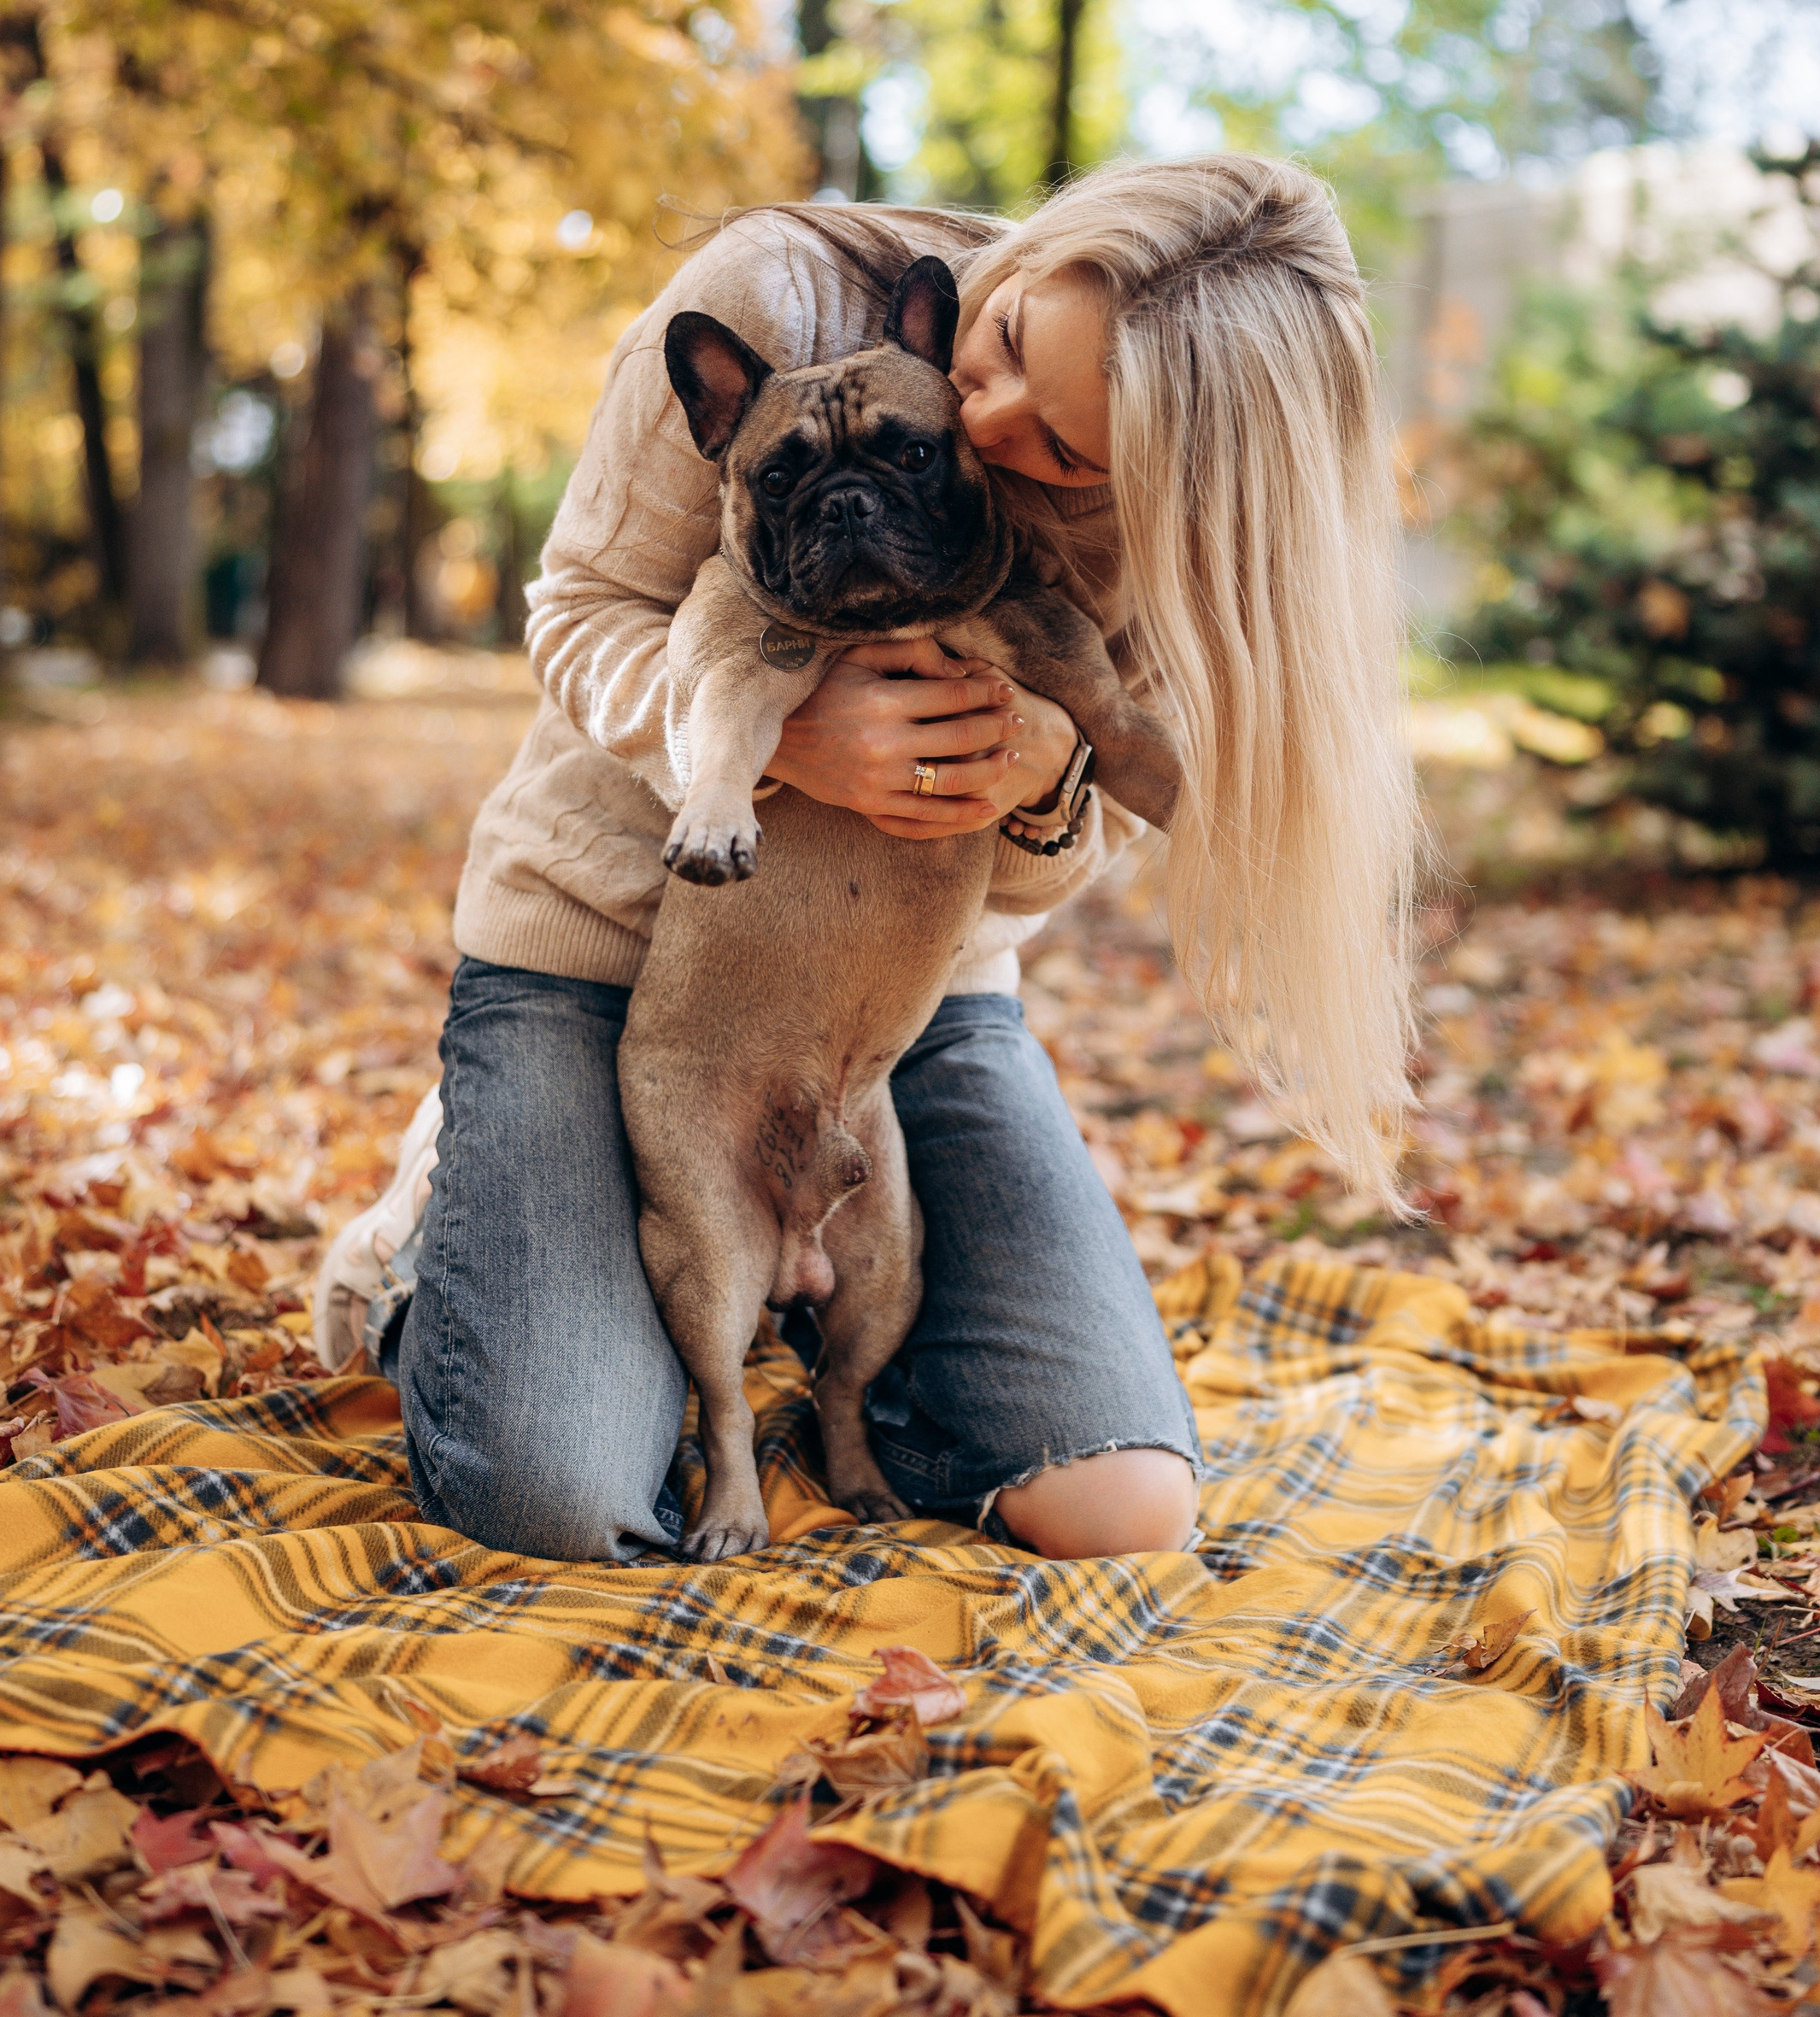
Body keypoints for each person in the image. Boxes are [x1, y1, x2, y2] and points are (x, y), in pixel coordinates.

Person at [314, 155, 1417, 1565]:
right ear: (1025, 254)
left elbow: (1102, 819)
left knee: (1118, 1506)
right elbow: (580, 603)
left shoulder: (1171, 523)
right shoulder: (771, 297)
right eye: (1006, 340)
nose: (990, 416)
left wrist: (1034, 780)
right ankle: (440, 1228)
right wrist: (779, 749)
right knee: (566, 1497)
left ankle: (827, 1357)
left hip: (902, 1010)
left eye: (1069, 451)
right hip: (601, 949)